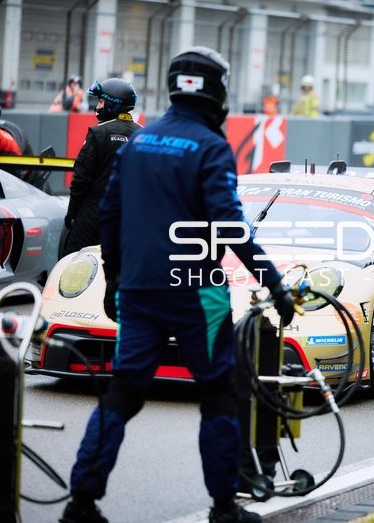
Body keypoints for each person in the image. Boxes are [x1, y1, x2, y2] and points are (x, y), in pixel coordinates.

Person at [60, 46, 296, 523]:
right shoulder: (210, 147)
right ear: (215, 90)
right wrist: (273, 283)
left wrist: (114, 279)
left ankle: (80, 503)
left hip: (139, 289)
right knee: (218, 394)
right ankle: (224, 508)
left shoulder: (140, 143)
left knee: (123, 392)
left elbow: (109, 214)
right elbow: (230, 225)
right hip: (198, 290)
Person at [62, 78, 142, 257]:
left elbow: (80, 180)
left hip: (93, 214)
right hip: (128, 215)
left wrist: (72, 213)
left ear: (113, 104)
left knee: (71, 263)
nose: (97, 107)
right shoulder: (144, 135)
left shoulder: (98, 133)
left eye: (100, 101)